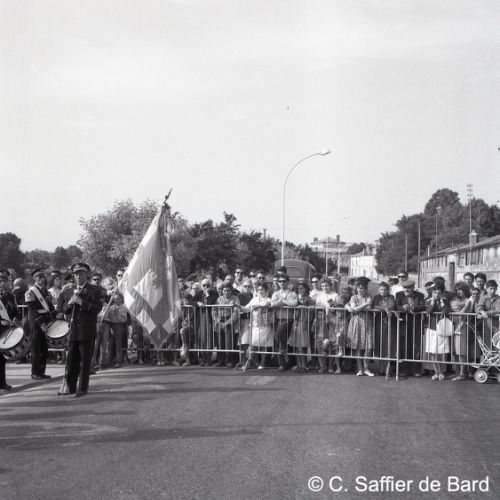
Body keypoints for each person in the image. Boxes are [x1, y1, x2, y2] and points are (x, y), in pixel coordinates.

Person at [58, 262, 102, 397]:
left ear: (86, 275)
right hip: (73, 331)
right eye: (75, 274)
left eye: (81, 274)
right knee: (71, 360)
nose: (78, 277)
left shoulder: (94, 290)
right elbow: (63, 309)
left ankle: (82, 387)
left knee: (85, 360)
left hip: (87, 330)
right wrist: (70, 303)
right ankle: (69, 387)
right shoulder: (69, 290)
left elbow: (97, 308)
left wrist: (81, 302)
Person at [25, 268, 57, 380]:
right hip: (37, 323)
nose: (41, 279)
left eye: (42, 277)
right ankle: (34, 372)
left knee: (44, 349)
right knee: (36, 349)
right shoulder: (30, 292)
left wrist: (56, 315)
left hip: (46, 323)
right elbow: (32, 310)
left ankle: (41, 371)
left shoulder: (46, 291)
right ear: (35, 278)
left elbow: (50, 307)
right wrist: (41, 323)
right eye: (38, 277)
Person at [395, 280, 426, 377]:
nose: (406, 290)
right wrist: (403, 308)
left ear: (413, 287)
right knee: (404, 347)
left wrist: (413, 308)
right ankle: (404, 370)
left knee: (416, 347)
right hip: (403, 324)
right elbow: (396, 306)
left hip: (416, 324)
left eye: (409, 288)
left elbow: (423, 306)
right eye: (405, 288)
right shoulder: (399, 295)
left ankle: (416, 370)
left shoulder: (419, 295)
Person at [240, 283, 274, 370]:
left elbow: (267, 304)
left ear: (266, 290)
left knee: (265, 345)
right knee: (254, 344)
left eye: (262, 289)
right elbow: (245, 308)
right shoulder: (254, 300)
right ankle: (252, 362)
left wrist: (257, 306)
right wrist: (237, 305)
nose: (261, 291)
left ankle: (263, 363)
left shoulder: (269, 299)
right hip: (255, 325)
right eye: (259, 290)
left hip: (265, 325)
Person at [345, 277, 375, 376]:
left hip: (367, 323)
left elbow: (369, 307)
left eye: (362, 288)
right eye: (358, 288)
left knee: (368, 347)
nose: (360, 290)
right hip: (356, 322)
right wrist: (364, 305)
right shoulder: (353, 297)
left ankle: (366, 369)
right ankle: (360, 369)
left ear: (366, 289)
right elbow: (353, 309)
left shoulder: (369, 296)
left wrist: (359, 307)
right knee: (358, 347)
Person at [271, 274, 298, 371]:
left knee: (280, 333)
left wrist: (282, 301)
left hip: (289, 319)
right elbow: (273, 304)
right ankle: (282, 363)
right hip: (279, 319)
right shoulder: (275, 293)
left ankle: (286, 356)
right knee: (280, 339)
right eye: (280, 281)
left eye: (284, 281)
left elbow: (294, 303)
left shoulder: (293, 293)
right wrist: (286, 302)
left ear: (288, 282)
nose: (282, 283)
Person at [425, 287, 451, 381]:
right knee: (432, 351)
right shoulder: (428, 301)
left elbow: (445, 310)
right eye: (435, 293)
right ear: (432, 293)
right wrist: (432, 302)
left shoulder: (444, 300)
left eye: (438, 293)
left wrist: (441, 302)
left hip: (441, 328)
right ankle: (436, 371)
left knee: (439, 351)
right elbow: (428, 311)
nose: (436, 295)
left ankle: (441, 371)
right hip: (431, 328)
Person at [0, 269, 20, 390]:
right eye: (0, 281)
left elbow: (16, 312)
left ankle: (2, 383)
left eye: (4, 281)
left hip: (7, 331)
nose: (2, 283)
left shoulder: (10, 296)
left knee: (2, 359)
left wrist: (16, 319)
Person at [288, 282, 314, 372]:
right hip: (296, 326)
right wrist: (298, 309)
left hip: (304, 327)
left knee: (302, 347)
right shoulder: (297, 305)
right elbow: (294, 317)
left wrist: (305, 308)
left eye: (302, 288)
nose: (301, 300)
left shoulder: (309, 304)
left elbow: (310, 317)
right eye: (300, 299)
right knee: (296, 347)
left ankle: (304, 365)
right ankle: (298, 364)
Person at [212, 283, 240, 367]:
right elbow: (214, 310)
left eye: (228, 290)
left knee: (230, 342)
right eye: (225, 290)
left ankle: (230, 361)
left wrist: (227, 322)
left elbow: (236, 311)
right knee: (220, 342)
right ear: (222, 291)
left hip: (230, 322)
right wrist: (218, 321)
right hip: (220, 321)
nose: (226, 292)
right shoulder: (219, 299)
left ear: (231, 291)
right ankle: (221, 360)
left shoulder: (235, 299)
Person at [372, 281, 397, 376]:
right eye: (381, 289)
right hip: (379, 324)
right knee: (380, 346)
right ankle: (381, 368)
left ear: (388, 290)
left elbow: (392, 305)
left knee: (388, 346)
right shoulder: (376, 297)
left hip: (389, 325)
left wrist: (386, 308)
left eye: (385, 290)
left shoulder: (391, 297)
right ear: (379, 290)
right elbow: (375, 306)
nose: (383, 291)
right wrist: (385, 308)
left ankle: (387, 368)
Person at [449, 282, 472, 381]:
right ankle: (457, 371)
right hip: (453, 325)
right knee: (454, 351)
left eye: (461, 289)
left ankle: (463, 373)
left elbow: (465, 313)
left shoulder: (468, 300)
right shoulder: (453, 300)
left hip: (462, 326)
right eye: (458, 289)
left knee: (461, 351)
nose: (459, 292)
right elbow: (456, 312)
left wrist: (465, 307)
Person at [475, 279, 500, 348]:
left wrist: (486, 313)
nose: (493, 291)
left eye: (494, 289)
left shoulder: (498, 298)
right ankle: (488, 358)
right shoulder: (483, 298)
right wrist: (481, 311)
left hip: (496, 324)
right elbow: (478, 309)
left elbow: (498, 311)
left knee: (497, 344)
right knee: (487, 344)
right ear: (486, 289)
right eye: (491, 289)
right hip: (486, 324)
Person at [107, 292, 129, 368]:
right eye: (114, 298)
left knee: (118, 344)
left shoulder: (123, 307)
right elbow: (107, 317)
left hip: (119, 326)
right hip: (111, 325)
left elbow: (124, 319)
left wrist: (117, 313)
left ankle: (118, 362)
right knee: (110, 344)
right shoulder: (110, 307)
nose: (116, 300)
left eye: (117, 298)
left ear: (121, 299)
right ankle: (109, 362)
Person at [236, 280, 253, 368]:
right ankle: (242, 361)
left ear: (251, 287)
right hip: (242, 320)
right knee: (243, 341)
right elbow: (240, 308)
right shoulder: (239, 296)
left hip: (252, 320)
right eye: (245, 286)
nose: (247, 288)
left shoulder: (253, 296)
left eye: (249, 286)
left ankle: (250, 361)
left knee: (251, 342)